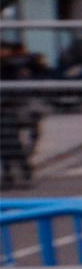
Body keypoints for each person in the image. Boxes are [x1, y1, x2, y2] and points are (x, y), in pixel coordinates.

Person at [0, 40, 46, 189]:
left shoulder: (15, 65)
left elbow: (36, 72)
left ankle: (21, 173)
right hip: (7, 109)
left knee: (11, 143)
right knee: (5, 145)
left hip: (13, 109)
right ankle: (11, 175)